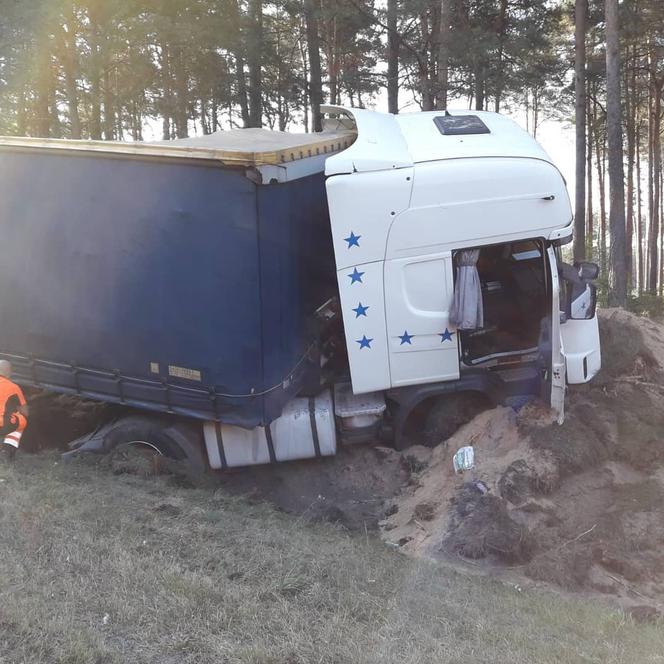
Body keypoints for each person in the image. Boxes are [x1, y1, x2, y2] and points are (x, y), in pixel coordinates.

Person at [0, 360, 28, 461]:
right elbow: (25, 411)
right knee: (22, 420)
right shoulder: (14, 387)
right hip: (2, 425)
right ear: (9, 372)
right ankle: (7, 451)